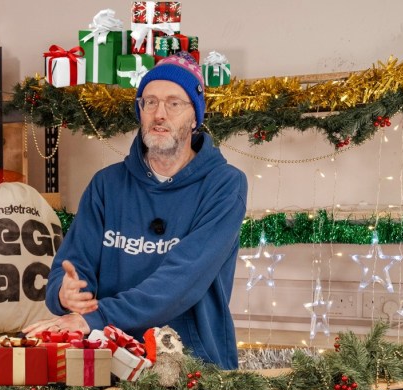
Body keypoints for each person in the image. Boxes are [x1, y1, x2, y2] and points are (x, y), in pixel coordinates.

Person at [23, 53, 248, 369]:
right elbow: (73, 263)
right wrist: (65, 293)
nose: (159, 114)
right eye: (149, 102)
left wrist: (97, 317)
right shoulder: (107, 184)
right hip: (107, 362)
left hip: (192, 368)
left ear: (195, 117)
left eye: (174, 103)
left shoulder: (224, 185)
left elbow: (180, 281)